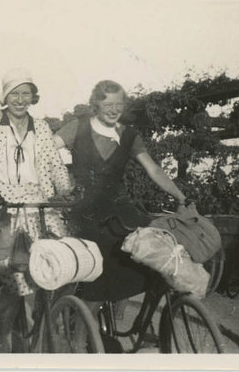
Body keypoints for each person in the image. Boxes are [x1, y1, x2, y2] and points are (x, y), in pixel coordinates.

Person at [54, 79, 187, 315]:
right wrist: (58, 183)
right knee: (99, 264)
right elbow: (46, 151)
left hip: (119, 207)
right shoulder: (78, 127)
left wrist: (180, 195)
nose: (115, 110)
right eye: (108, 105)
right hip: (85, 210)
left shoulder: (129, 135)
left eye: (119, 104)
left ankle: (120, 321)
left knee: (152, 243)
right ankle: (82, 335)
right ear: (95, 104)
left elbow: (153, 169)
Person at [0, 68, 71, 352]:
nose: (20, 99)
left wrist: (65, 190)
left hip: (38, 202)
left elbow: (54, 163)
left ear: (33, 97)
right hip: (2, 205)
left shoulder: (41, 127)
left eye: (26, 93)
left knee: (56, 261)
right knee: (12, 275)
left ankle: (46, 322)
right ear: (5, 96)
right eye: (14, 93)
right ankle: (3, 346)